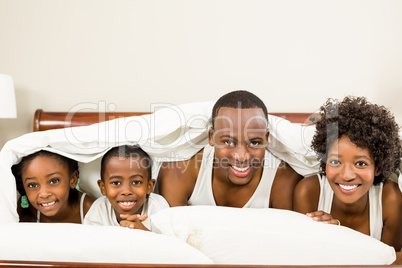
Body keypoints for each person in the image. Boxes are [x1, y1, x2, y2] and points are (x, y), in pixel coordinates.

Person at [158, 90, 303, 209]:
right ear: (212, 137)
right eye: (228, 141)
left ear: (266, 138)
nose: (242, 156)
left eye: (254, 143)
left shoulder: (283, 179)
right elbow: (173, 236)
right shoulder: (180, 172)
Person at [293, 96, 402, 251]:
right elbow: (302, 255)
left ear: (378, 167)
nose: (346, 175)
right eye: (335, 162)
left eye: (361, 164)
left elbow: (388, 262)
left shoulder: (391, 200)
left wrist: (339, 234)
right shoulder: (308, 192)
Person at [84, 145, 169, 231]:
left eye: (136, 182)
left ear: (149, 186)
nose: (126, 191)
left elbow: (172, 243)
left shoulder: (158, 208)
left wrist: (145, 233)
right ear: (103, 188)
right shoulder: (99, 209)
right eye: (116, 183)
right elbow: (91, 241)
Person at [12, 150, 94, 223]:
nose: (44, 194)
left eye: (54, 181)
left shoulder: (91, 210)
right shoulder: (24, 210)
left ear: (73, 179)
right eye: (32, 185)